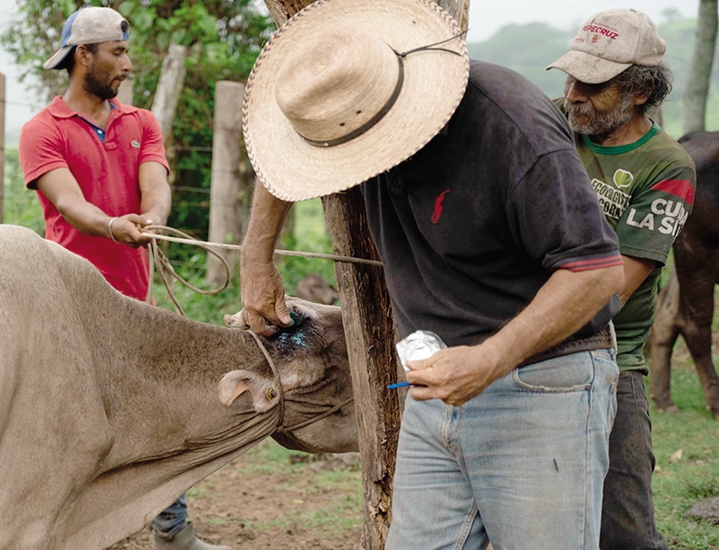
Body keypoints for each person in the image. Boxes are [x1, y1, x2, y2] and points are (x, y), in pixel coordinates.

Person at [235, 0, 624, 548]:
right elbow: (281, 156)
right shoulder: (344, 108)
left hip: (541, 386)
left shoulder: (510, 126)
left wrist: (488, 360)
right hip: (434, 389)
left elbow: (595, 272)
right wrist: (256, 257)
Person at [17, 7, 228, 550]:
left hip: (134, 298)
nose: (128, 65)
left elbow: (154, 186)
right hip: (70, 302)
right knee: (70, 424)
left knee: (158, 412)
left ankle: (171, 530)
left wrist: (152, 219)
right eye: (117, 52)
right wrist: (114, 226)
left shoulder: (141, 124)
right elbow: (69, 204)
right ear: (83, 56)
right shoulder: (42, 131)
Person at [547, 9, 695, 549]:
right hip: (518, 343)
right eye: (570, 78)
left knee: (626, 534)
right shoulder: (551, 123)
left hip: (609, 359)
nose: (574, 94)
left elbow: (614, 289)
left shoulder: (667, 164)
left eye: (594, 83)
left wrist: (504, 335)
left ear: (639, 91)